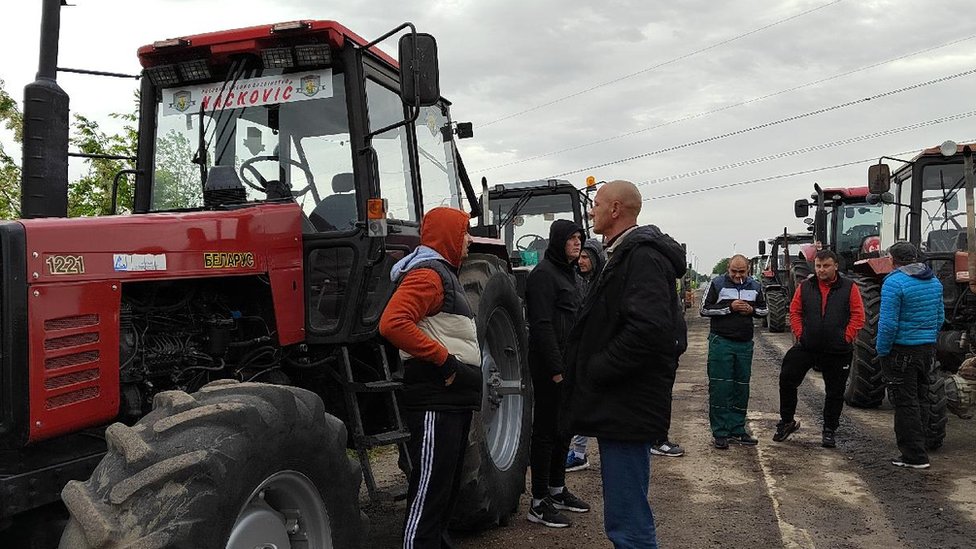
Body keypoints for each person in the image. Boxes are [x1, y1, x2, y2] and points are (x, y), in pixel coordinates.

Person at [563, 180, 686, 549]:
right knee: (624, 513)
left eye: (596, 204)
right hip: (623, 402)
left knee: (627, 520)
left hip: (627, 402)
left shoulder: (641, 256)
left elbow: (649, 329)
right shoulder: (623, 253)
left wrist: (598, 367)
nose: (591, 211)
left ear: (616, 209)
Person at [379, 207, 484, 548]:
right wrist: (446, 363)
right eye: (463, 233)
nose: (468, 240)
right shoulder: (428, 275)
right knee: (429, 492)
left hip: (451, 399)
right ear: (448, 236)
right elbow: (393, 323)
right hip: (435, 399)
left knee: (443, 491)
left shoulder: (443, 275)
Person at [525, 219, 590, 527]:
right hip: (551, 368)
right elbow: (541, 326)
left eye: (579, 238)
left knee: (565, 428)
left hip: (571, 366)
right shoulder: (542, 277)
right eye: (571, 239)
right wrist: (555, 370)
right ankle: (538, 502)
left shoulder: (573, 276)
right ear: (557, 242)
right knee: (546, 432)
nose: (577, 243)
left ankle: (557, 488)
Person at [773, 249, 864, 447]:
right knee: (787, 378)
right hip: (808, 345)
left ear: (836, 266)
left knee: (834, 392)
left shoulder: (849, 287)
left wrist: (846, 337)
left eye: (826, 266)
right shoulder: (806, 286)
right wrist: (800, 333)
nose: (821, 270)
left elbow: (858, 315)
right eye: (818, 266)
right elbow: (795, 311)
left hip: (837, 350)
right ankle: (787, 421)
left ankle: (829, 429)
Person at [876, 241, 944, 469]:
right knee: (923, 398)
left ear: (892, 260)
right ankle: (920, 445)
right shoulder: (933, 281)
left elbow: (887, 324)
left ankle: (913, 456)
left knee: (905, 403)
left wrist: (882, 350)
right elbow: (940, 317)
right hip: (926, 350)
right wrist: (929, 339)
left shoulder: (894, 283)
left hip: (901, 351)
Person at [700, 254, 768, 449]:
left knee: (741, 387)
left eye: (742, 272)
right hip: (721, 341)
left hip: (745, 343)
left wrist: (751, 310)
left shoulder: (755, 286)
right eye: (733, 271)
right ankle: (720, 432)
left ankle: (738, 429)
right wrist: (729, 308)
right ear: (728, 268)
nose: (738, 275)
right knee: (721, 387)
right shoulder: (717, 284)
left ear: (749, 270)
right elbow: (704, 310)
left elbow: (764, 310)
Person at [566, 238, 606, 472]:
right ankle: (579, 451)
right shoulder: (577, 281)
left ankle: (580, 453)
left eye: (585, 257)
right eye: (579, 256)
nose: (580, 261)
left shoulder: (601, 285)